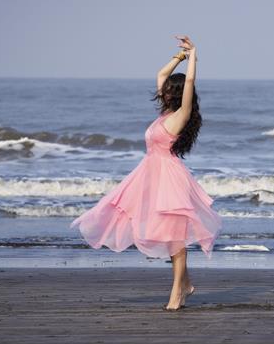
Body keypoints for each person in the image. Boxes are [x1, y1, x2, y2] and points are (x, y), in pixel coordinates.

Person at [70, 35, 223, 311]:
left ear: (175, 94)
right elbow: (161, 73)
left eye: (168, 90)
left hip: (169, 178)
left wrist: (195, 57)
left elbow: (189, 83)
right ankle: (185, 284)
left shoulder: (181, 115)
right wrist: (180, 56)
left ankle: (177, 292)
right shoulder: (165, 113)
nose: (163, 90)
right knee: (162, 232)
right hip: (150, 176)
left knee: (175, 235)